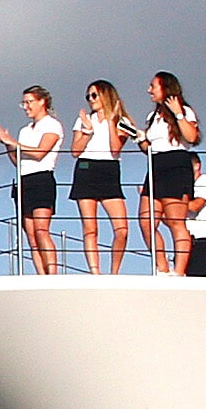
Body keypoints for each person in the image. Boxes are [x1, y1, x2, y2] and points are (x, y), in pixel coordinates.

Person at [142, 74, 206, 277]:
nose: (149, 90)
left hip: (176, 165)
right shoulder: (152, 117)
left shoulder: (185, 111)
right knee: (146, 220)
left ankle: (179, 270)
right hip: (156, 165)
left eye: (153, 86)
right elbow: (150, 147)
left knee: (175, 221)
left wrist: (178, 114)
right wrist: (139, 138)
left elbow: (191, 137)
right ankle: (162, 266)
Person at [0, 85, 66, 274]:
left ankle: (52, 273)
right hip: (24, 180)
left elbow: (40, 153)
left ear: (41, 101)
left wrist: (12, 141)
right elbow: (18, 160)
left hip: (42, 178)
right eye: (24, 103)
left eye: (29, 102)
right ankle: (41, 274)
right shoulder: (25, 131)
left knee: (42, 229)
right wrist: (7, 144)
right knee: (31, 236)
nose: (26, 107)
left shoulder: (52, 125)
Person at [73, 79, 132, 275]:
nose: (91, 100)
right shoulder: (83, 120)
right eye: (88, 96)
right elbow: (75, 150)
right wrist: (87, 131)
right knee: (90, 228)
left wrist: (112, 122)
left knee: (122, 229)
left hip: (109, 168)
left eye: (94, 95)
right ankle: (95, 272)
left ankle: (114, 272)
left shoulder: (122, 121)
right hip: (86, 167)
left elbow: (115, 148)